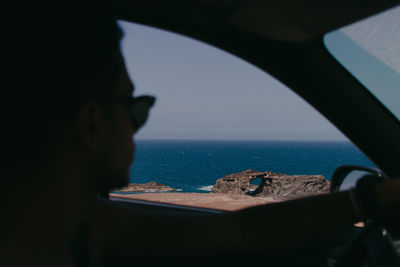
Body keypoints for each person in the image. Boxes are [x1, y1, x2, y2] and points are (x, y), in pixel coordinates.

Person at [1, 4, 399, 267]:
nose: (140, 124)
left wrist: (371, 199)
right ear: (90, 124)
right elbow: (239, 233)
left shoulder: (84, 228)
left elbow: (240, 232)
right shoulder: (88, 233)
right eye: (135, 107)